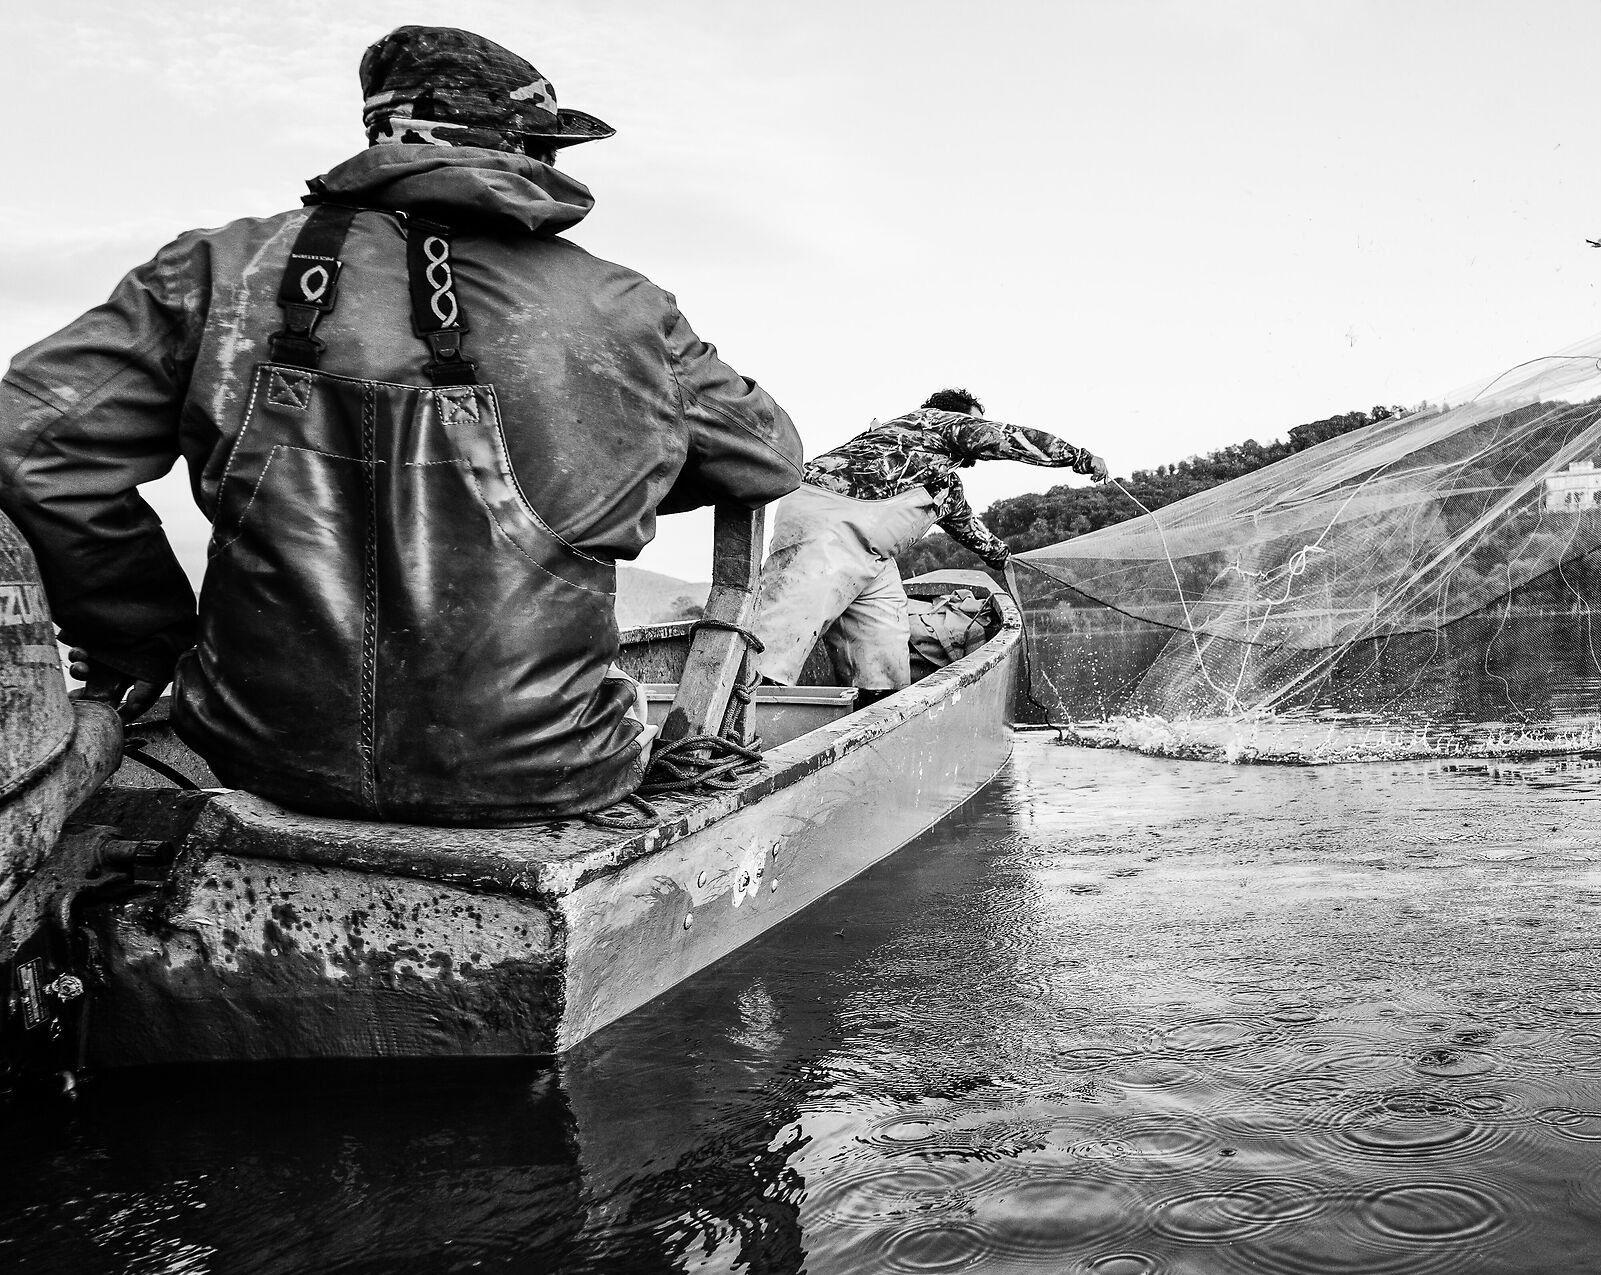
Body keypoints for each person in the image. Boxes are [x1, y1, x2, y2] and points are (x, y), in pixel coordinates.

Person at [0, 26, 805, 823]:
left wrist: (143, 635)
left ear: (382, 137)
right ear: (529, 151)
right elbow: (768, 459)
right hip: (548, 766)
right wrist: (597, 472)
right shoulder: (623, 307)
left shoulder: (222, 270)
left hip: (258, 750)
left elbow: (30, 446)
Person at [752, 390, 1105, 701]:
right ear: (957, 417)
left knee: (885, 650)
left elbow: (968, 528)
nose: (976, 438)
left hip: (873, 557)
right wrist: (1078, 457)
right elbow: (1006, 437)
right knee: (781, 636)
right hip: (825, 522)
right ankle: (742, 719)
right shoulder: (929, 422)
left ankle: (876, 715)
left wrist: (1003, 557)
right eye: (974, 423)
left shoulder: (944, 485)